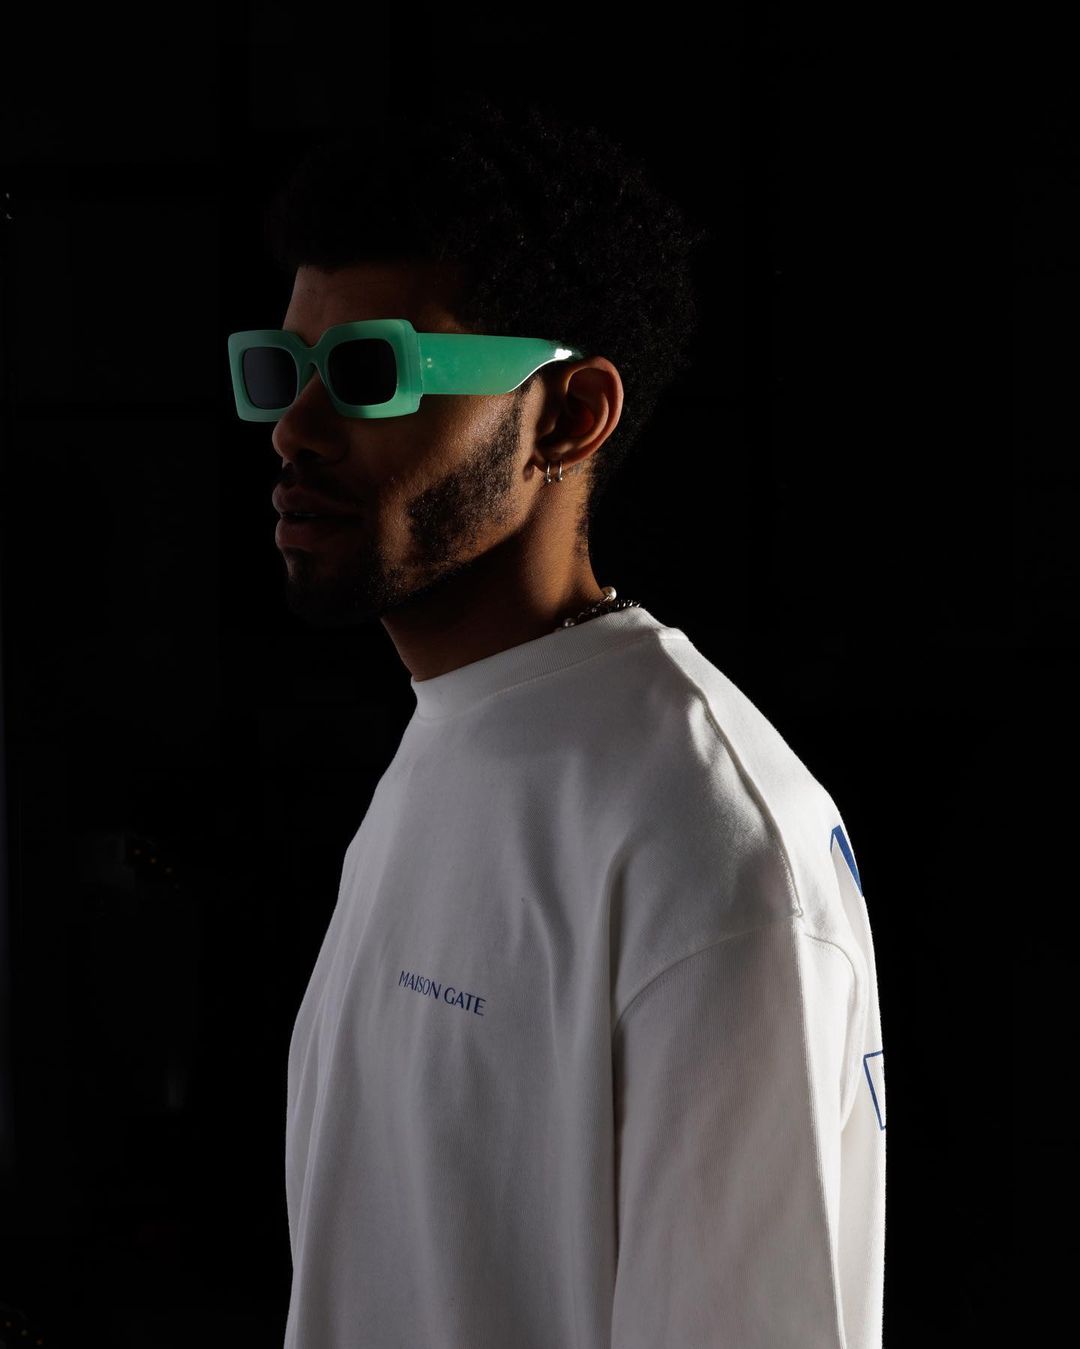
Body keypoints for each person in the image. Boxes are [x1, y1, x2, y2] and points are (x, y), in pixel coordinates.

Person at [231, 92, 886, 1349]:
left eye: (367, 373)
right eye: (284, 373)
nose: (295, 431)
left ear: (571, 414)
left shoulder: (706, 840)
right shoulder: (449, 741)